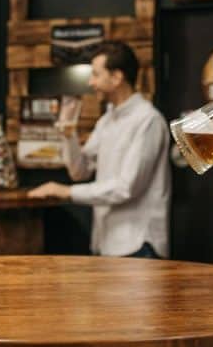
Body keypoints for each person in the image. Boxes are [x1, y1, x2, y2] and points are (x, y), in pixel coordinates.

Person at [29, 41, 171, 259]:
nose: (90, 82)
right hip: (107, 243)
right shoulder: (107, 120)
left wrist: (66, 192)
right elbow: (80, 172)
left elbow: (127, 188)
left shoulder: (148, 120)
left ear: (116, 77)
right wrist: (68, 135)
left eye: (96, 74)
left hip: (138, 246)